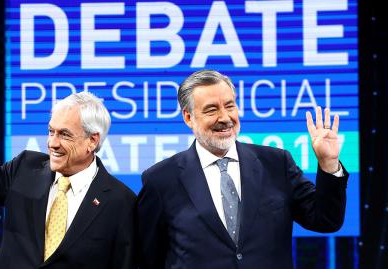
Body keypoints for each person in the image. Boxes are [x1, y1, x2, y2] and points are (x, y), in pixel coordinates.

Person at [136, 70, 348, 269]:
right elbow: (148, 258)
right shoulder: (160, 180)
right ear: (188, 117)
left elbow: (326, 220)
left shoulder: (276, 163)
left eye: (230, 106)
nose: (225, 117)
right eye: (212, 109)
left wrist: (328, 163)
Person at [0, 81, 136, 269]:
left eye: (64, 134)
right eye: (51, 131)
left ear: (92, 141)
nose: (52, 143)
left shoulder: (120, 201)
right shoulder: (25, 168)